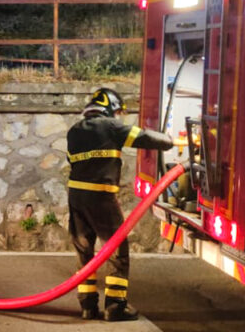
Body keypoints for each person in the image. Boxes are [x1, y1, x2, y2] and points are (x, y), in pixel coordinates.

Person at [67, 86, 173, 322]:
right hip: (101, 197)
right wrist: (169, 141)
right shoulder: (110, 126)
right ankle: (115, 306)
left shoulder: (74, 131)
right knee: (116, 249)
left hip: (76, 197)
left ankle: (87, 306)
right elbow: (142, 137)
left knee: (84, 250)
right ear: (111, 109)